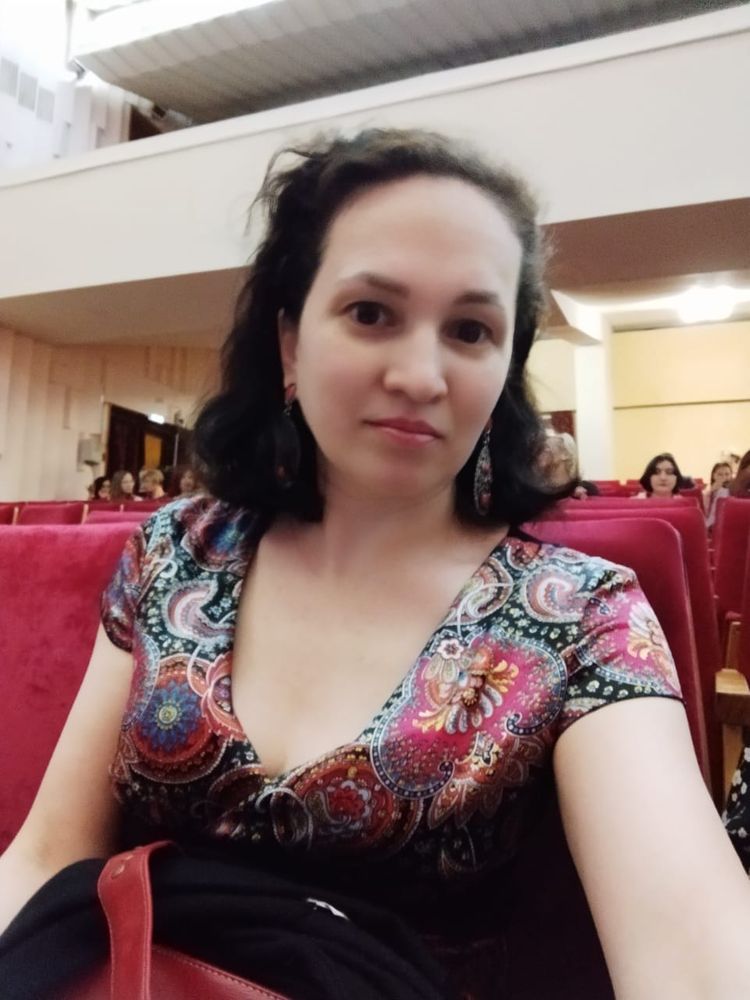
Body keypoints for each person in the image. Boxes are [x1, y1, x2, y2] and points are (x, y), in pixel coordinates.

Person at [2, 129, 749, 1000]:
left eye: (469, 330)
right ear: (290, 342)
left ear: (506, 369)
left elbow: (694, 952)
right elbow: (48, 856)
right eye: (371, 313)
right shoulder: (176, 553)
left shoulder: (580, 616)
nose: (421, 375)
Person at [703, 461, 733, 529]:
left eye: (727, 474)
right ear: (714, 476)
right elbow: (704, 509)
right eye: (720, 474)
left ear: (731, 475)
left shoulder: (733, 490)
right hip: (710, 522)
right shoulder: (708, 490)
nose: (724, 477)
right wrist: (711, 491)